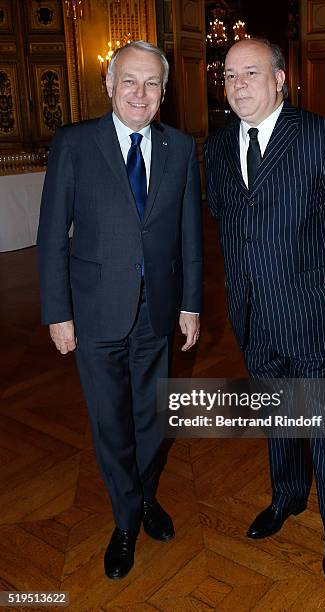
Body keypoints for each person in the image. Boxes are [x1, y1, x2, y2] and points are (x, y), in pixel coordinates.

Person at [204, 38, 325, 584]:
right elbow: (226, 220)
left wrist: (315, 267)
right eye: (229, 75)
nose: (238, 85)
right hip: (253, 314)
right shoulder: (215, 146)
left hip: (314, 312)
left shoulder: (322, 137)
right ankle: (287, 499)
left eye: (251, 73)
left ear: (281, 79)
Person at [37, 41, 202, 580]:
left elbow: (188, 235)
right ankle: (127, 518)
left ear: (162, 93)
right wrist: (57, 312)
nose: (140, 92)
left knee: (153, 419)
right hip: (94, 313)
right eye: (129, 80)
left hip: (157, 311)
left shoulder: (180, 147)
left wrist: (191, 304)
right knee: (112, 424)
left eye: (151, 83)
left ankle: (143, 496)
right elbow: (50, 236)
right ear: (108, 85)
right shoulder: (74, 143)